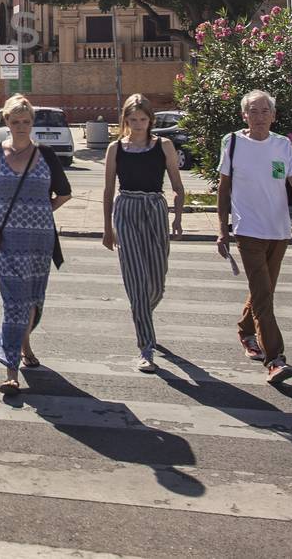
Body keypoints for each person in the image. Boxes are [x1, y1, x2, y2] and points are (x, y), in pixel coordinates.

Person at [216, 89, 292, 384]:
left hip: (279, 231)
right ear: (243, 116)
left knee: (265, 290)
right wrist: (222, 228)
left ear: (273, 116)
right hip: (248, 230)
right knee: (264, 296)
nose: (259, 117)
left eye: (265, 111)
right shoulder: (233, 142)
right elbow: (224, 189)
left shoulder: (282, 145)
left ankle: (245, 330)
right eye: (253, 111)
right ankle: (275, 358)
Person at [0, 93, 72, 395]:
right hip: (6, 241)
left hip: (40, 241)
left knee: (33, 300)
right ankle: (10, 370)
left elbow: (64, 193)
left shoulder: (45, 155)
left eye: (26, 121)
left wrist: (41, 212)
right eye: (15, 121)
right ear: (6, 122)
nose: (21, 127)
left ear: (32, 123)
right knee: (13, 304)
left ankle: (25, 343)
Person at [101, 93, 186, 373]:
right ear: (125, 119)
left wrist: (177, 217)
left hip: (155, 209)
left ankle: (144, 312)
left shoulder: (164, 145)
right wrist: (106, 229)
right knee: (136, 281)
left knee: (157, 283)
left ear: (151, 119)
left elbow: (177, 184)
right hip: (126, 209)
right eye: (132, 119)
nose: (138, 124)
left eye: (142, 119)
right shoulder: (116, 148)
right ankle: (146, 347)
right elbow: (108, 189)